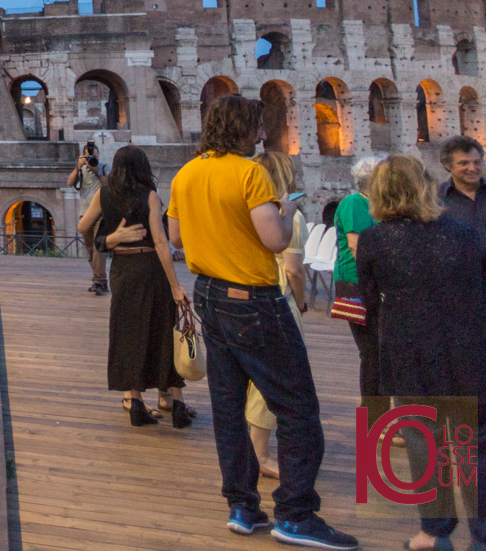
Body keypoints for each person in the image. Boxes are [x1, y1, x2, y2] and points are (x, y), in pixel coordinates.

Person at [168, 94, 356, 549]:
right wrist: (286, 212)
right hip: (252, 299)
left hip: (208, 295)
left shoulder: (186, 173)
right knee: (297, 408)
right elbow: (275, 241)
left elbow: (175, 237)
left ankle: (242, 506)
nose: (263, 133)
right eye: (257, 125)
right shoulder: (250, 172)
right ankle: (296, 514)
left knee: (228, 407)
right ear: (242, 128)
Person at [357, 153, 486, 551]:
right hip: (475, 349)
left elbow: (370, 303)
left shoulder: (374, 240)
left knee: (424, 441)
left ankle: (434, 531)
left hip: (411, 353)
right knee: (484, 446)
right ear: (427, 186)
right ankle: (484, 538)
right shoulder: (463, 233)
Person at [80, 145, 193, 428]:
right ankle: (176, 402)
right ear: (143, 167)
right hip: (152, 269)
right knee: (165, 331)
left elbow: (83, 227)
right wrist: (175, 285)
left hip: (124, 271)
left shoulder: (104, 194)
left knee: (128, 334)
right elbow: (160, 242)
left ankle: (136, 403)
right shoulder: (150, 196)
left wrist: (111, 239)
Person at [244, 151, 308, 481]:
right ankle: (260, 454)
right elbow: (294, 270)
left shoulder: (245, 212)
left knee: (248, 378)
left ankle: (248, 449)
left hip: (242, 300)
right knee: (272, 381)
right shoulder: (289, 217)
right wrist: (303, 302)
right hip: (276, 301)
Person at [437, 135, 486, 351]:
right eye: (464, 163)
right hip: (459, 292)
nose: (472, 168)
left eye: (477, 162)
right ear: (448, 165)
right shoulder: (434, 201)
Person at [332, 155, 384, 400]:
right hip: (357, 284)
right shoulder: (355, 202)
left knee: (380, 351)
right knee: (372, 351)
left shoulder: (376, 204)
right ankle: (373, 416)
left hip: (372, 284)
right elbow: (357, 247)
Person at [70, 142, 107, 295]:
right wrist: (77, 168)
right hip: (85, 213)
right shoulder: (81, 169)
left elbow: (110, 186)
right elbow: (70, 183)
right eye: (88, 157)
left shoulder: (104, 168)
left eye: (94, 156)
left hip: (101, 213)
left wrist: (97, 172)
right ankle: (101, 279)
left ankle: (98, 281)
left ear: (98, 156)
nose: (92, 159)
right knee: (90, 249)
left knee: (99, 248)